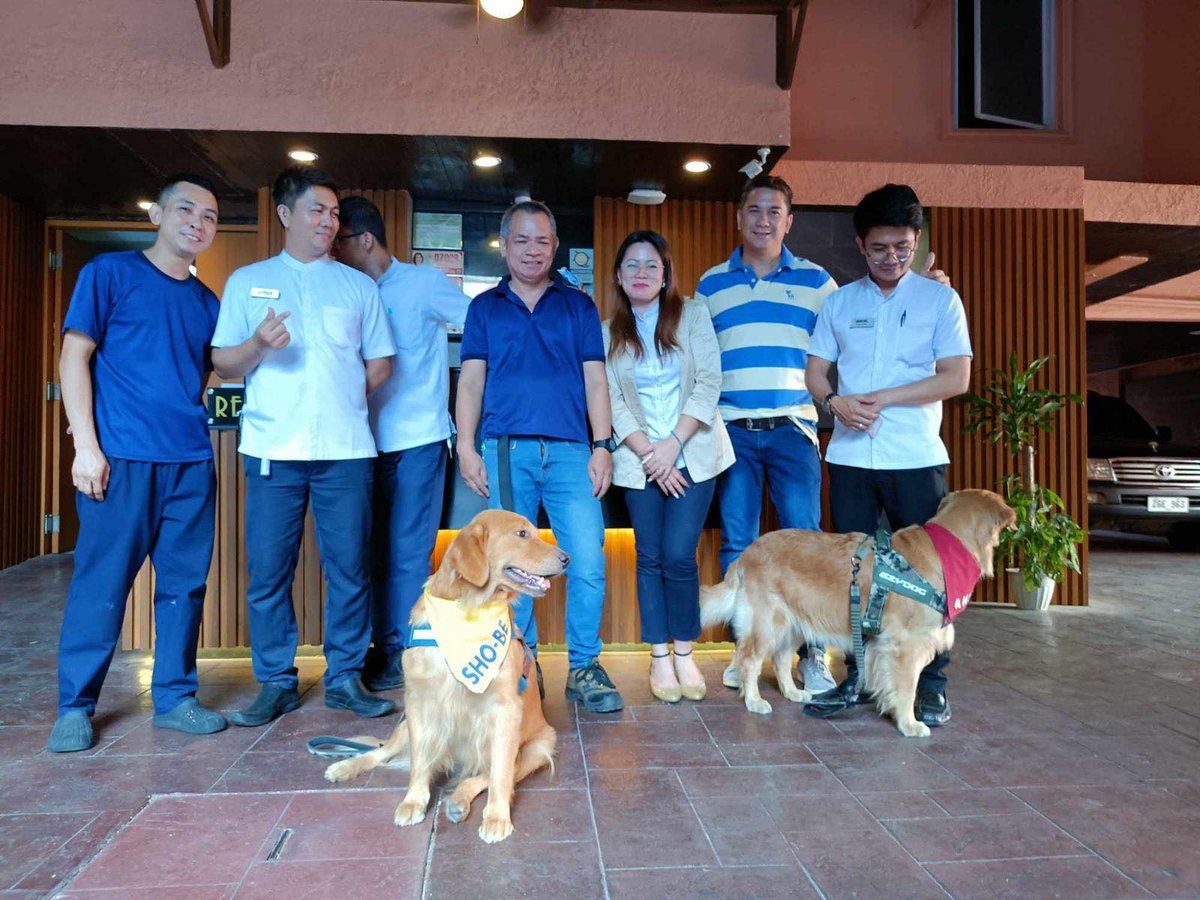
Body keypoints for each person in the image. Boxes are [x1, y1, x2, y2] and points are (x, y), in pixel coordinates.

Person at [211, 167, 397, 726]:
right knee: (269, 570)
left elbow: (381, 363)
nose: (328, 221)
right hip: (272, 449)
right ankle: (275, 681)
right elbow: (223, 364)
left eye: (335, 214)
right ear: (286, 214)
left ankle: (344, 677)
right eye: (317, 210)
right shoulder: (248, 281)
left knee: (349, 569)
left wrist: (338, 397)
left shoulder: (358, 286)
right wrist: (258, 344)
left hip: (346, 451)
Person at [49, 174, 226, 752]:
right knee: (101, 583)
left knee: (185, 585)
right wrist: (86, 446)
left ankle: (175, 697)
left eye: (208, 216)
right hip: (119, 461)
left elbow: (195, 378)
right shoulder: (108, 274)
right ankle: (75, 706)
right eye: (185, 210)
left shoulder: (207, 302)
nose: (196, 223)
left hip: (191, 463)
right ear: (156, 214)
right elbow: (73, 358)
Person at [803, 183, 972, 727]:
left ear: (917, 241)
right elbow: (815, 372)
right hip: (851, 459)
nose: (892, 257)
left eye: (903, 246)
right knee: (855, 575)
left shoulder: (940, 299)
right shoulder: (840, 302)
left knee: (931, 581)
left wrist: (883, 398)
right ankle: (857, 679)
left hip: (916, 458)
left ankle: (930, 687)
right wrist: (833, 403)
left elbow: (956, 376)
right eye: (880, 248)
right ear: (860, 244)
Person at [455, 199, 624, 714]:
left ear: (555, 247)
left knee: (589, 559)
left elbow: (596, 378)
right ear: (504, 246)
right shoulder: (484, 307)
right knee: (512, 565)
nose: (533, 250)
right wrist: (465, 445)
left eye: (543, 241)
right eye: (522, 240)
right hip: (506, 448)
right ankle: (520, 663)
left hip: (574, 451)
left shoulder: (577, 305)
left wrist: (602, 445)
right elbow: (472, 381)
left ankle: (584, 666)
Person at [693, 174, 840, 695]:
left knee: (807, 542)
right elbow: (696, 358)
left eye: (774, 211)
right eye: (754, 210)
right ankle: (746, 656)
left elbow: (850, 336)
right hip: (731, 432)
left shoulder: (819, 282)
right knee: (738, 543)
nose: (763, 220)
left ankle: (813, 658)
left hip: (794, 430)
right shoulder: (711, 284)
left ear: (788, 220)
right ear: (739, 217)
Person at [333, 196, 470, 691]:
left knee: (409, 553)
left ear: (365, 239)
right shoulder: (343, 289)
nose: (332, 246)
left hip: (417, 440)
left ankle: (403, 650)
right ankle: (375, 646)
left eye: (339, 238)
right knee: (366, 553)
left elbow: (482, 323)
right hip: (355, 444)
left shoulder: (423, 283)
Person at [603, 231, 733, 703]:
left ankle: (684, 652)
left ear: (665, 274)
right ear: (619, 275)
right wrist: (650, 455)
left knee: (680, 555)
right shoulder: (607, 331)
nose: (641, 273)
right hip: (640, 464)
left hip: (694, 454)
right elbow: (612, 401)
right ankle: (658, 656)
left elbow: (708, 382)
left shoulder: (693, 315)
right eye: (632, 265)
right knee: (649, 556)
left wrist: (672, 445)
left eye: (651, 265)